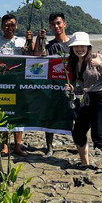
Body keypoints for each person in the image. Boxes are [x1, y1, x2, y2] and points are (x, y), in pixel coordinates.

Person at [66, 32, 102, 174]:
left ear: (88, 46)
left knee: (98, 136)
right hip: (89, 99)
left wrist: (100, 65)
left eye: (82, 46)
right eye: (76, 46)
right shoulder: (75, 64)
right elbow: (81, 89)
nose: (79, 49)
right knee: (78, 132)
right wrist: (73, 89)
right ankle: (85, 163)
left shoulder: (97, 57)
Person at [0, 14, 33, 156]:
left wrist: (31, 41)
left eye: (13, 25)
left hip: (19, 85)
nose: (10, 28)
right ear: (2, 26)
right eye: (7, 25)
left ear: (16, 26)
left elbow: (32, 57)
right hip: (2, 85)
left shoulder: (22, 42)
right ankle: (4, 146)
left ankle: (17, 146)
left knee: (19, 115)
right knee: (3, 115)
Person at [43, 12, 72, 156]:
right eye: (53, 24)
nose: (56, 26)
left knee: (77, 116)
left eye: (58, 23)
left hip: (73, 87)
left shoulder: (74, 45)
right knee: (51, 115)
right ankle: (49, 146)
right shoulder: (50, 47)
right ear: (50, 27)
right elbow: (39, 56)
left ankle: (80, 144)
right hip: (54, 87)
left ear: (64, 24)